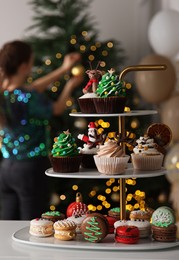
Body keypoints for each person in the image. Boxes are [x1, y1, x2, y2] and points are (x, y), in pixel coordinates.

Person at [0, 40, 83, 220]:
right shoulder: (28, 97)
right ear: (23, 66)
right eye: (31, 62)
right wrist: (69, 85)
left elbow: (34, 87)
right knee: (33, 225)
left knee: (6, 224)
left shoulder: (5, 92)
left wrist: (63, 69)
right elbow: (57, 109)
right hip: (30, 169)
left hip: (6, 168)